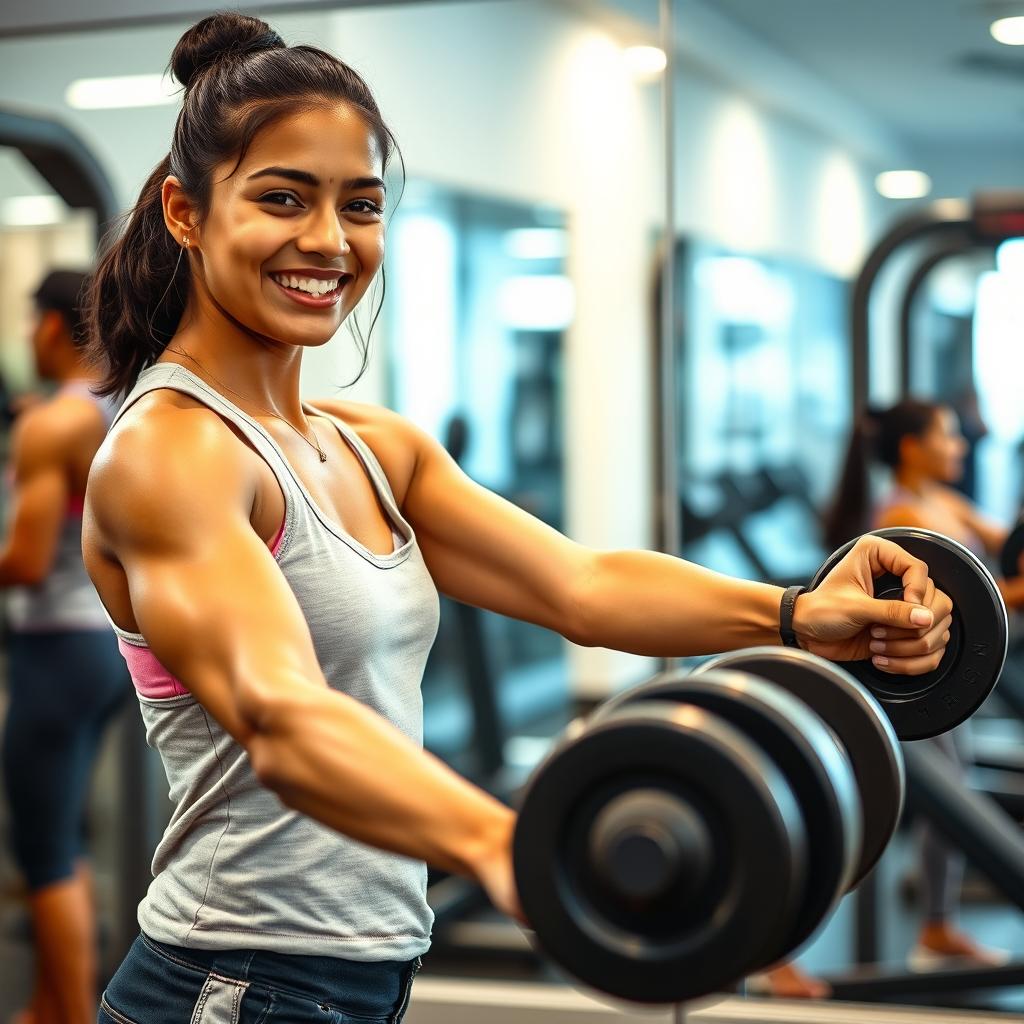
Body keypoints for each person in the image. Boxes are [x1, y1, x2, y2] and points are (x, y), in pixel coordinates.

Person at [81, 14, 953, 1022]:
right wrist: (502, 840)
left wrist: (797, 612)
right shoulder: (172, 453)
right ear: (186, 213)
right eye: (282, 198)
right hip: (237, 980)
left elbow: (579, 587)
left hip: (353, 972)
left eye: (358, 206)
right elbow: (282, 715)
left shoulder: (369, 443)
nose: (327, 241)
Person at [826, 398, 1010, 971]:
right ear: (913, 448)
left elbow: (1002, 541)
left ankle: (937, 918)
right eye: (948, 436)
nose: (959, 446)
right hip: (915, 682)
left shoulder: (939, 501)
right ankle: (933, 928)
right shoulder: (908, 517)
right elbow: (980, 602)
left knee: (953, 787)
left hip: (946, 675)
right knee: (944, 795)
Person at [0, 269, 127, 1024]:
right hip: (110, 650)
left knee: (44, 845)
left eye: (29, 325)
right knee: (66, 829)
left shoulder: (54, 424)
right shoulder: (124, 405)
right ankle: (50, 1005)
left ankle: (74, 1013)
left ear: (52, 327)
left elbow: (22, 560)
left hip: (57, 652)